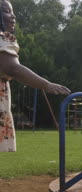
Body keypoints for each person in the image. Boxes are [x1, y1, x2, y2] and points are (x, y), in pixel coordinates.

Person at [0, 0, 70, 152]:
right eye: (7, 11)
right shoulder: (2, 39)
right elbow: (13, 68)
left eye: (12, 12)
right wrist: (46, 84)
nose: (13, 16)